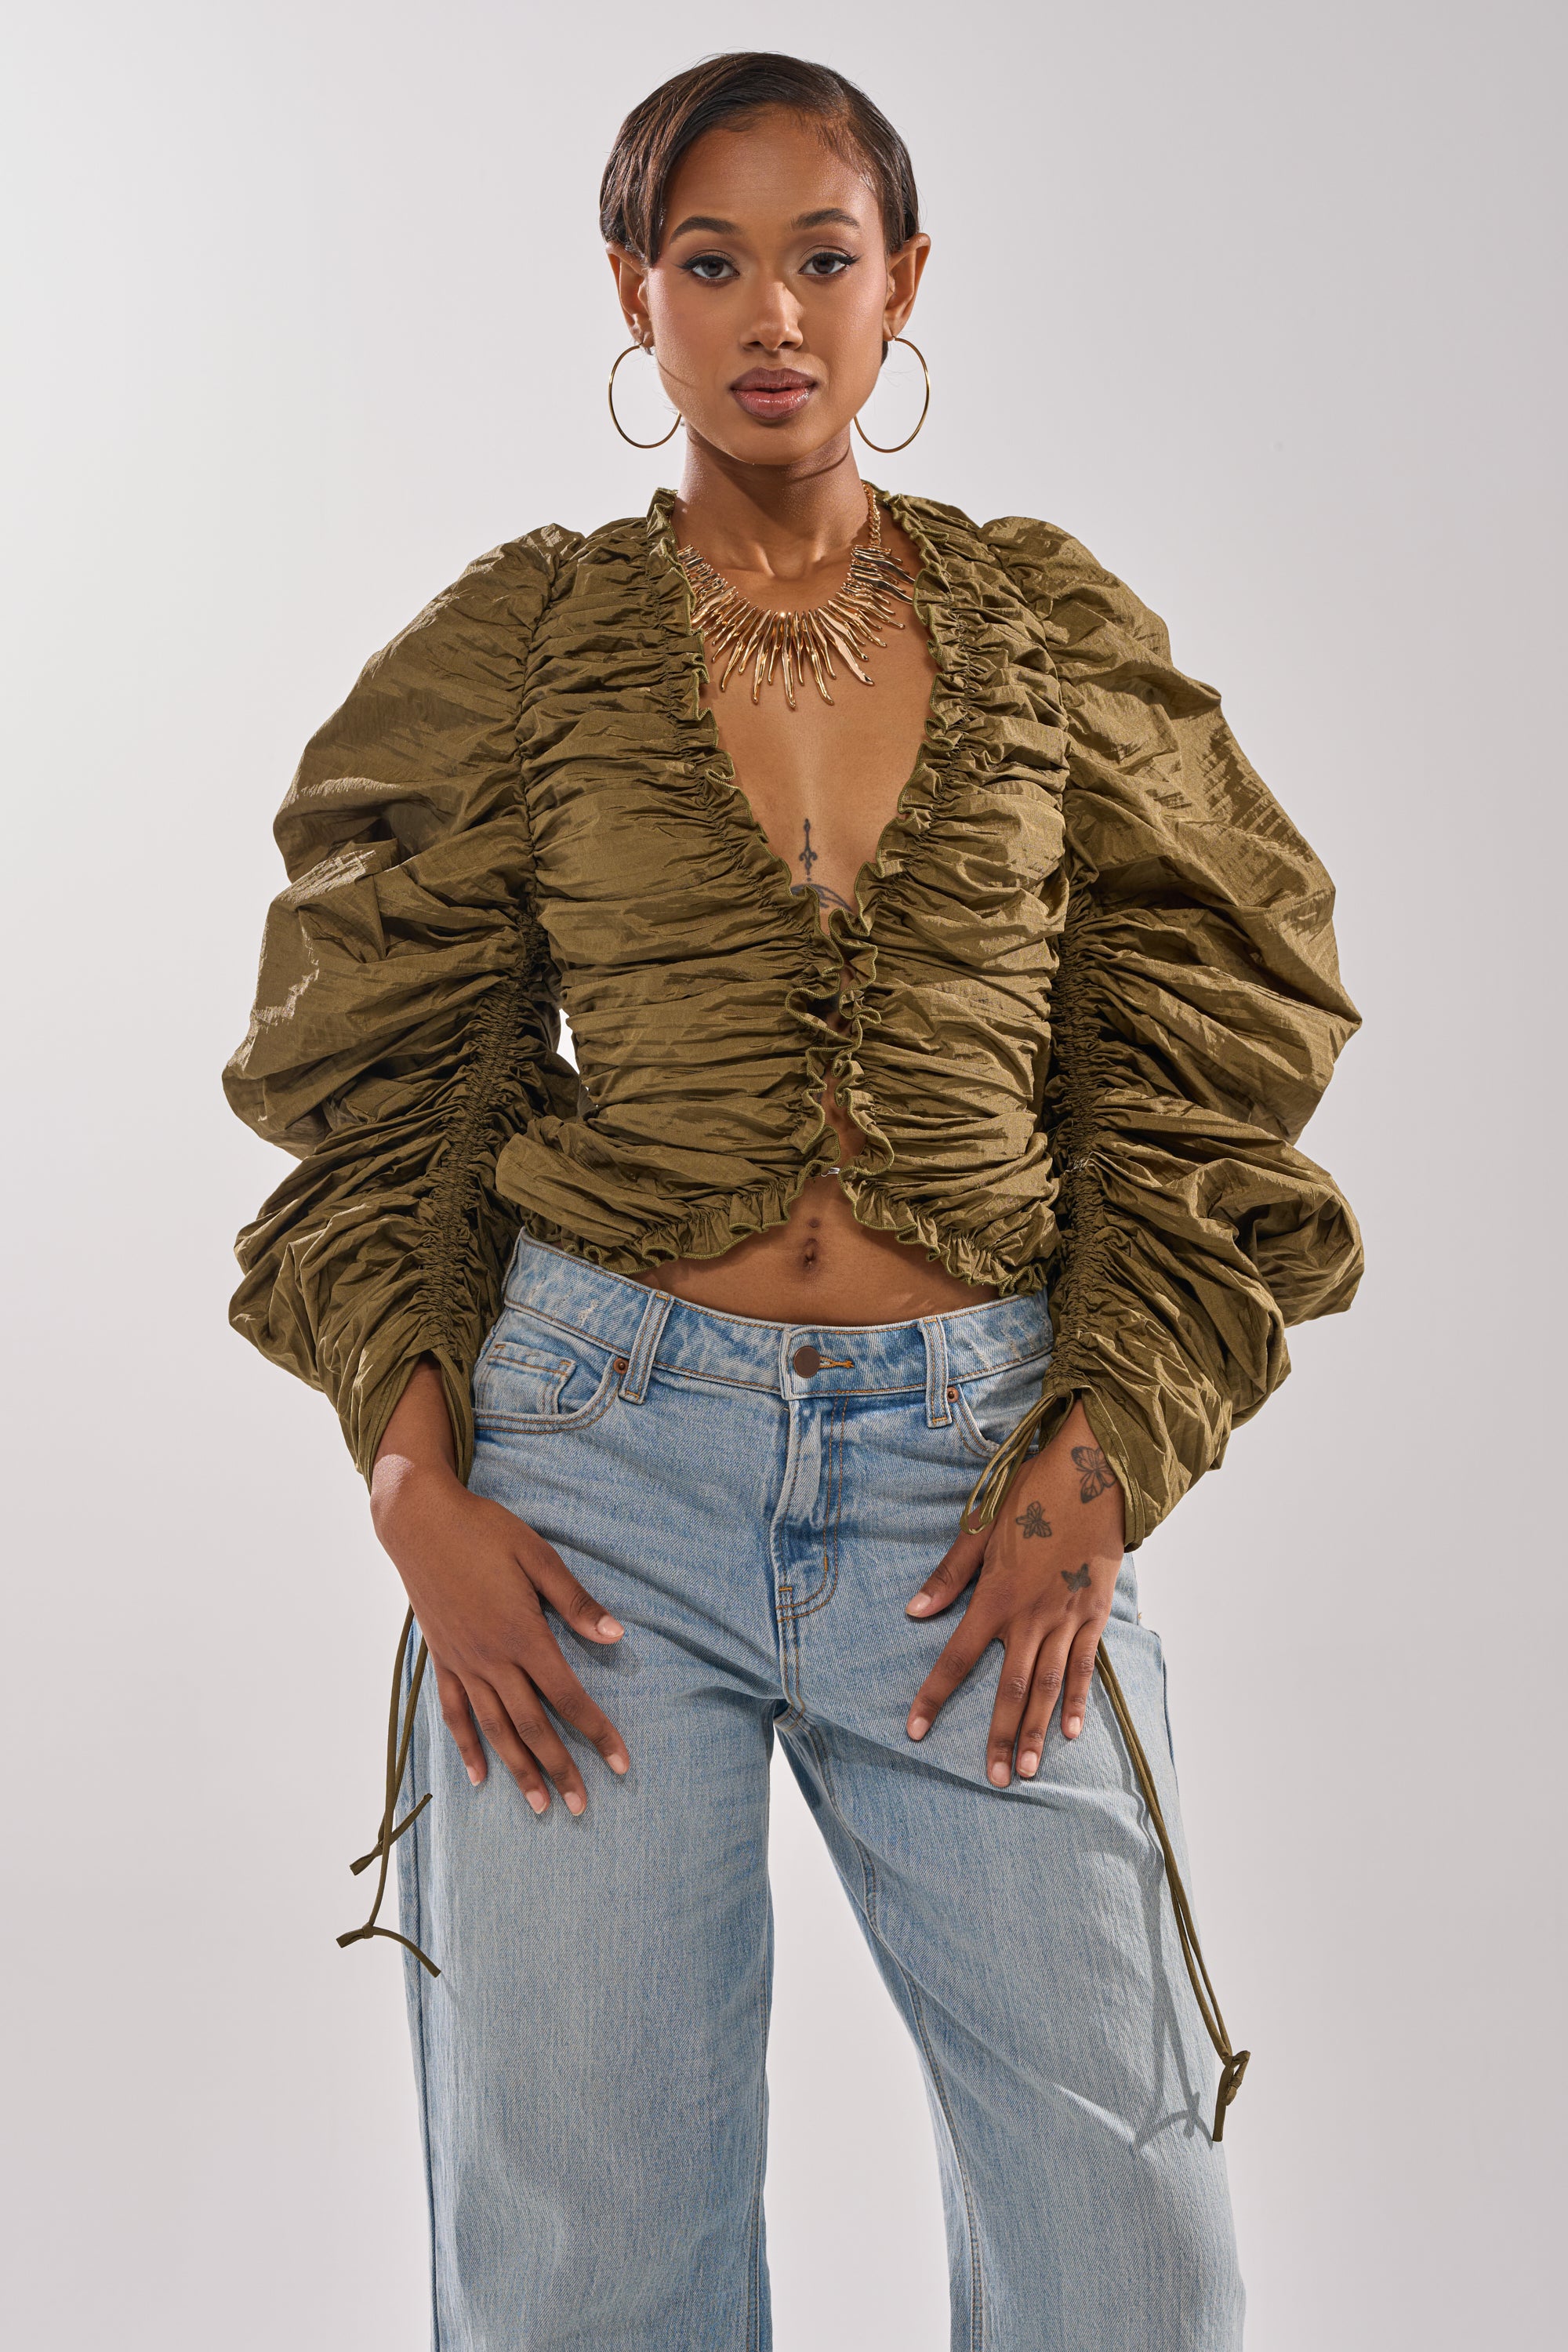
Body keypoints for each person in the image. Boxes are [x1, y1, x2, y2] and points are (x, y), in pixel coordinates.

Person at [224, 50, 1361, 2352]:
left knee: (1127, 2242)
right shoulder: (526, 644)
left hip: (984, 1486)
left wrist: (1102, 1453)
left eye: (822, 258)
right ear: (634, 291)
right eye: (711, 259)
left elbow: (1187, 1071)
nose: (770, 312)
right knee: (590, 2267)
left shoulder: (1052, 638)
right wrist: (411, 1476)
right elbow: (401, 1080)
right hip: (590, 1481)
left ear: (903, 281)